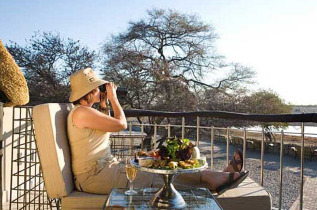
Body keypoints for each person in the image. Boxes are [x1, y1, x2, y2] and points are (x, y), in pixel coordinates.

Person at [67, 68, 248, 195]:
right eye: (97, 88)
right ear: (89, 91)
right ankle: (213, 179)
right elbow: (121, 124)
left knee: (155, 163)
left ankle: (214, 175)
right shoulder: (82, 113)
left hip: (105, 167)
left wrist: (105, 104)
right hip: (94, 176)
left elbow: (105, 126)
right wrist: (114, 99)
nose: (100, 91)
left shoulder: (85, 113)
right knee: (153, 175)